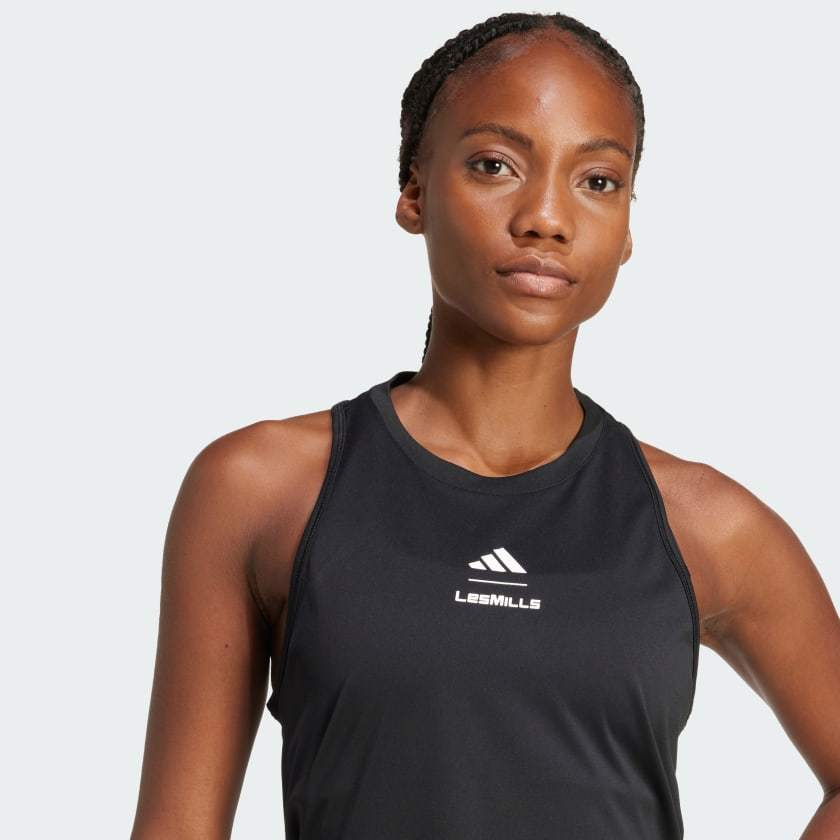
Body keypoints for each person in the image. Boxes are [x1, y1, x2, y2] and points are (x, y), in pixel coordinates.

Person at [130, 11, 840, 839]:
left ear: (627, 230)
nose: (546, 217)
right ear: (415, 193)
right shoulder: (262, 489)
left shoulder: (707, 525)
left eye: (598, 180)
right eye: (495, 165)